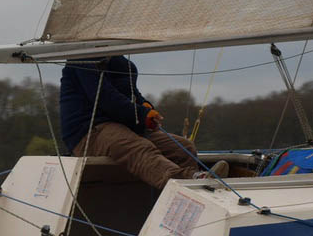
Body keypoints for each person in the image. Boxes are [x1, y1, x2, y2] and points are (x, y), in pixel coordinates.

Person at [59, 56, 227, 189]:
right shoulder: (81, 60)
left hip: (125, 127)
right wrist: (141, 113)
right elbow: (105, 98)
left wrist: (144, 106)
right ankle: (191, 182)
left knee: (184, 148)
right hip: (90, 132)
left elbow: (132, 94)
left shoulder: (122, 64)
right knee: (138, 147)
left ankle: (186, 194)